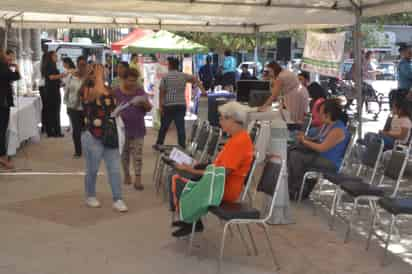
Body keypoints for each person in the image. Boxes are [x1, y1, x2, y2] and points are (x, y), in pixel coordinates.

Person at [170, 101, 254, 237]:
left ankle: (192, 221)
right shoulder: (237, 138)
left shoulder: (239, 142)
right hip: (220, 181)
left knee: (179, 179)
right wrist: (195, 167)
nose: (220, 122)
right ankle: (190, 220)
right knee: (183, 173)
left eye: (222, 118)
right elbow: (219, 166)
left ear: (233, 120)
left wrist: (192, 170)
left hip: (225, 188)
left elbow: (223, 173)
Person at [80, 64, 128, 212]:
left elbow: (110, 105)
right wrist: (96, 75)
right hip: (93, 135)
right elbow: (96, 94)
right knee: (92, 169)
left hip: (109, 133)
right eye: (100, 70)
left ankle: (118, 199)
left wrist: (117, 112)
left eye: (103, 70)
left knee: (114, 169)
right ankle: (90, 196)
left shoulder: (108, 89)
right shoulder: (86, 89)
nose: (104, 72)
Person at [288, 98, 350, 200]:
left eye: (321, 112)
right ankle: (295, 187)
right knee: (293, 151)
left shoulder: (338, 130)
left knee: (296, 156)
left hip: (330, 162)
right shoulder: (328, 125)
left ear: (328, 114)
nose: (319, 115)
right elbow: (317, 139)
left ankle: (298, 189)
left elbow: (321, 148)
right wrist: (305, 138)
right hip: (320, 157)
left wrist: (305, 141)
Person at [114, 68, 152, 191]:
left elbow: (149, 108)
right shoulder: (116, 92)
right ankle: (126, 174)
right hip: (122, 129)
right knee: (124, 154)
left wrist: (143, 103)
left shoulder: (140, 91)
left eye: (134, 81)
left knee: (138, 155)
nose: (132, 83)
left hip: (138, 128)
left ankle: (138, 179)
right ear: (123, 79)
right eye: (130, 80)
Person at [154, 57, 204, 149]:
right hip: (181, 105)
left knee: (164, 126)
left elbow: (162, 92)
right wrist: (203, 91)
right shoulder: (183, 76)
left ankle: (159, 143)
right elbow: (195, 79)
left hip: (168, 105)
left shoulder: (165, 77)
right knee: (180, 126)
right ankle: (182, 145)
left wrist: (160, 106)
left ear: (170, 65)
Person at [0, 49, 20, 169]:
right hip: (3, 103)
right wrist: (16, 67)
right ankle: (2, 157)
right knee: (1, 130)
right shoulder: (3, 67)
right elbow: (16, 76)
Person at [63, 56, 87, 158]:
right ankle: (78, 151)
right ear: (77, 65)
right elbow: (66, 91)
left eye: (84, 65)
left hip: (86, 108)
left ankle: (88, 149)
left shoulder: (90, 78)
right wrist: (67, 106)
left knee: (86, 130)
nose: (82, 67)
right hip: (73, 107)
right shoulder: (71, 77)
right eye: (80, 64)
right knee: (76, 130)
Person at [41, 51, 66, 137]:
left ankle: (52, 131)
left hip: (52, 90)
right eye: (55, 56)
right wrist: (62, 75)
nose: (57, 57)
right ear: (51, 57)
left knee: (52, 112)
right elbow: (51, 77)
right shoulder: (49, 66)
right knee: (54, 112)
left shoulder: (52, 66)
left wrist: (61, 81)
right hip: (52, 91)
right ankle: (55, 132)